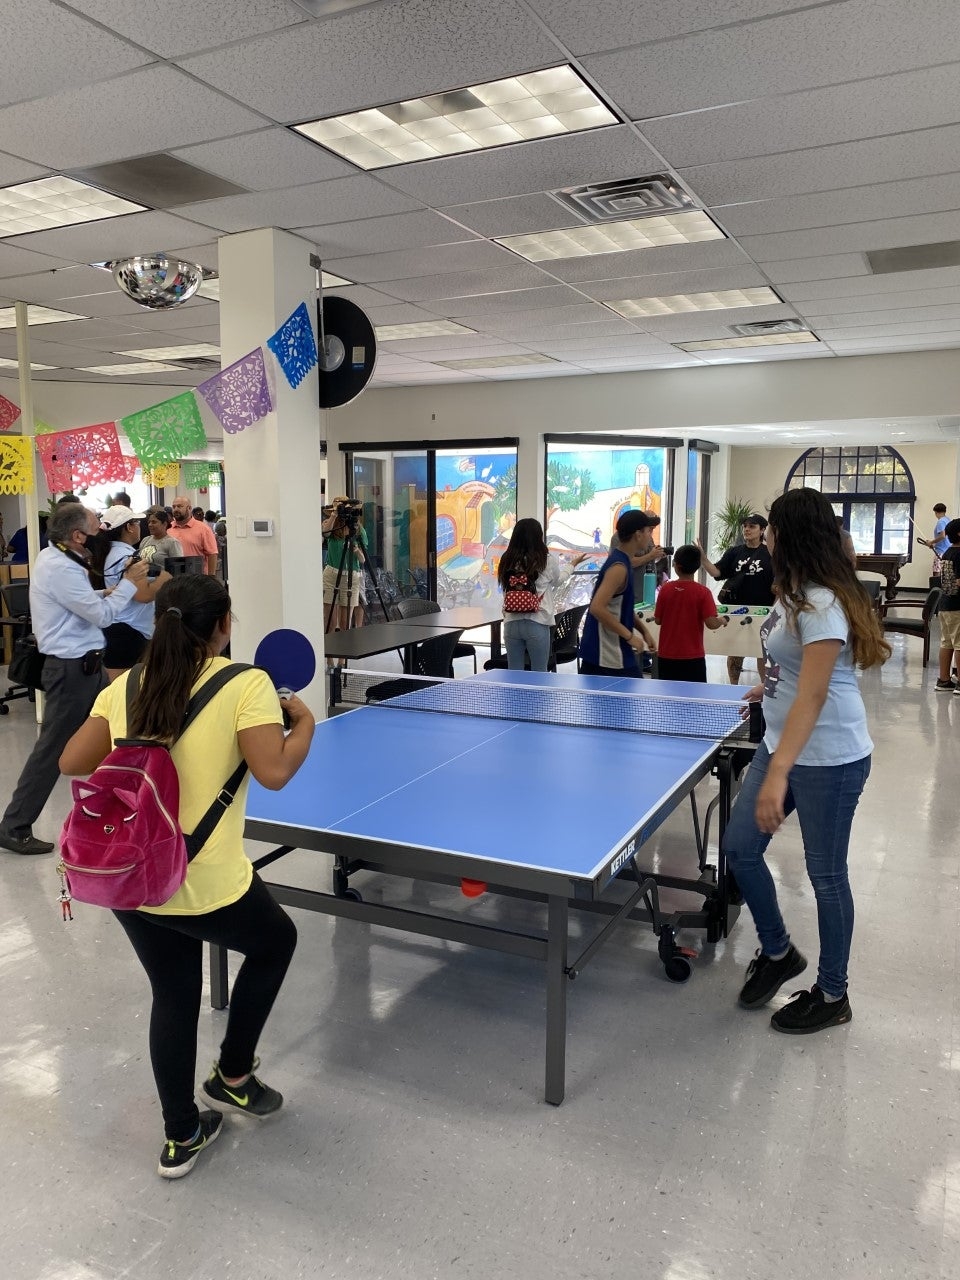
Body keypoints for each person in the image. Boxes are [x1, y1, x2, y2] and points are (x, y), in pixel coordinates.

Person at [59, 574, 315, 1179]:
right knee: (277, 942)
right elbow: (274, 771)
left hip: (135, 877)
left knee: (172, 995)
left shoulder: (128, 686)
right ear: (223, 625)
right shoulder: (246, 683)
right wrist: (301, 724)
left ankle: (181, 1135)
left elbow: (72, 761)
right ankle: (232, 1074)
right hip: (204, 883)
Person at [722, 487, 890, 1034]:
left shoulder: (821, 602)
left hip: (829, 759)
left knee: (826, 875)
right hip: (784, 741)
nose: (764, 535)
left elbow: (815, 695)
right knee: (741, 851)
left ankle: (833, 994)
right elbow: (791, 672)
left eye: (771, 529)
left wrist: (775, 774)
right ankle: (778, 954)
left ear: (791, 535)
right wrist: (765, 687)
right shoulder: (792, 592)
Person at [0, 503, 148, 856]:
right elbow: (100, 617)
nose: (102, 533)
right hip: (71, 670)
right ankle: (14, 825)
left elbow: (79, 603)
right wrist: (128, 586)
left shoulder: (63, 561)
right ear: (78, 535)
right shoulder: (61, 567)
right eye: (96, 527)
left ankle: (123, 811)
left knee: (119, 734)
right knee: (52, 751)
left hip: (88, 667)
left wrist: (106, 591)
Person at [88, 506, 171, 680]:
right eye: (137, 522)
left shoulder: (106, 552)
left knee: (115, 691)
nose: (142, 526)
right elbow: (143, 595)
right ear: (129, 527)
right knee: (126, 691)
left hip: (115, 627)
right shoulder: (126, 555)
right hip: (130, 631)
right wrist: (166, 577)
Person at [497, 518, 586, 671]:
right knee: (539, 673)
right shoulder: (545, 559)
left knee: (513, 675)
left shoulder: (506, 559)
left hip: (511, 623)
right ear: (539, 536)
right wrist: (572, 565)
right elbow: (559, 580)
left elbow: (505, 587)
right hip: (537, 622)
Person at [578, 509, 658, 677]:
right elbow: (597, 608)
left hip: (614, 652)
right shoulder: (618, 567)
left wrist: (644, 632)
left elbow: (623, 608)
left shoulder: (624, 561)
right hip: (605, 655)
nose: (650, 536)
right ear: (638, 534)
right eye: (648, 531)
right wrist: (630, 636)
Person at [697, 513, 774, 684]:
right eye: (745, 526)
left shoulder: (769, 554)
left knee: (762, 653)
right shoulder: (734, 552)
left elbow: (778, 584)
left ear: (762, 530)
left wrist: (774, 609)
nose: (746, 529)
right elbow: (717, 572)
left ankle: (765, 688)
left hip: (763, 611)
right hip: (736, 610)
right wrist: (703, 558)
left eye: (752, 526)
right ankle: (732, 688)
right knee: (735, 651)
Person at [653, 544, 729, 683]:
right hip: (693, 659)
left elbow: (658, 620)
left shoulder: (665, 589)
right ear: (699, 565)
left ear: (676, 566)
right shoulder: (703, 592)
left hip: (666, 657)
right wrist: (722, 620)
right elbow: (711, 624)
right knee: (694, 700)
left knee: (667, 700)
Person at [321, 498, 368, 639]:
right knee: (329, 621)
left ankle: (343, 660)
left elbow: (363, 558)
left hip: (351, 577)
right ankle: (329, 658)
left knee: (345, 623)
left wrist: (356, 550)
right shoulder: (330, 525)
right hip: (331, 575)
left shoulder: (358, 529)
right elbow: (326, 533)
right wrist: (334, 516)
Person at [934, 518, 960, 692]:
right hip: (958, 605)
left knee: (947, 643)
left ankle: (944, 680)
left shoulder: (948, 552)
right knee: (959, 644)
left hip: (945, 604)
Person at [170, 496, 219, 574]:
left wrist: (211, 577)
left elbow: (212, 554)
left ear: (189, 508)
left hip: (197, 580)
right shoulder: (168, 528)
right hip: (174, 578)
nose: (175, 509)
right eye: (173, 507)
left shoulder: (203, 529)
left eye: (179, 506)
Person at [917, 503, 951, 578]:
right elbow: (946, 538)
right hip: (948, 550)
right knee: (946, 574)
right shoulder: (948, 520)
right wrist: (934, 544)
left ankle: (936, 589)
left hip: (940, 552)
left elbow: (942, 536)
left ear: (936, 512)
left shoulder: (941, 522)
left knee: (936, 573)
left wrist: (931, 542)